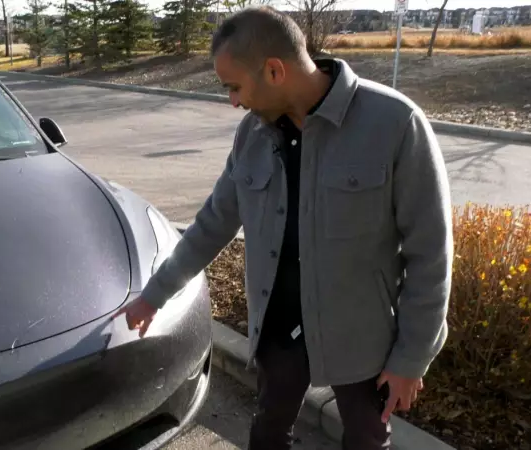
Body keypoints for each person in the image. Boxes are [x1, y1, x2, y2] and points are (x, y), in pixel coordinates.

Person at [112, 6, 453, 450]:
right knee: (268, 433)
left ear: (274, 71)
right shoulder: (251, 135)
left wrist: (411, 359)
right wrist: (153, 296)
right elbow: (212, 224)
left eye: (235, 87)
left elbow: (431, 255)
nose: (233, 102)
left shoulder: (394, 124)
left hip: (361, 337)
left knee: (367, 440)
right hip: (279, 332)